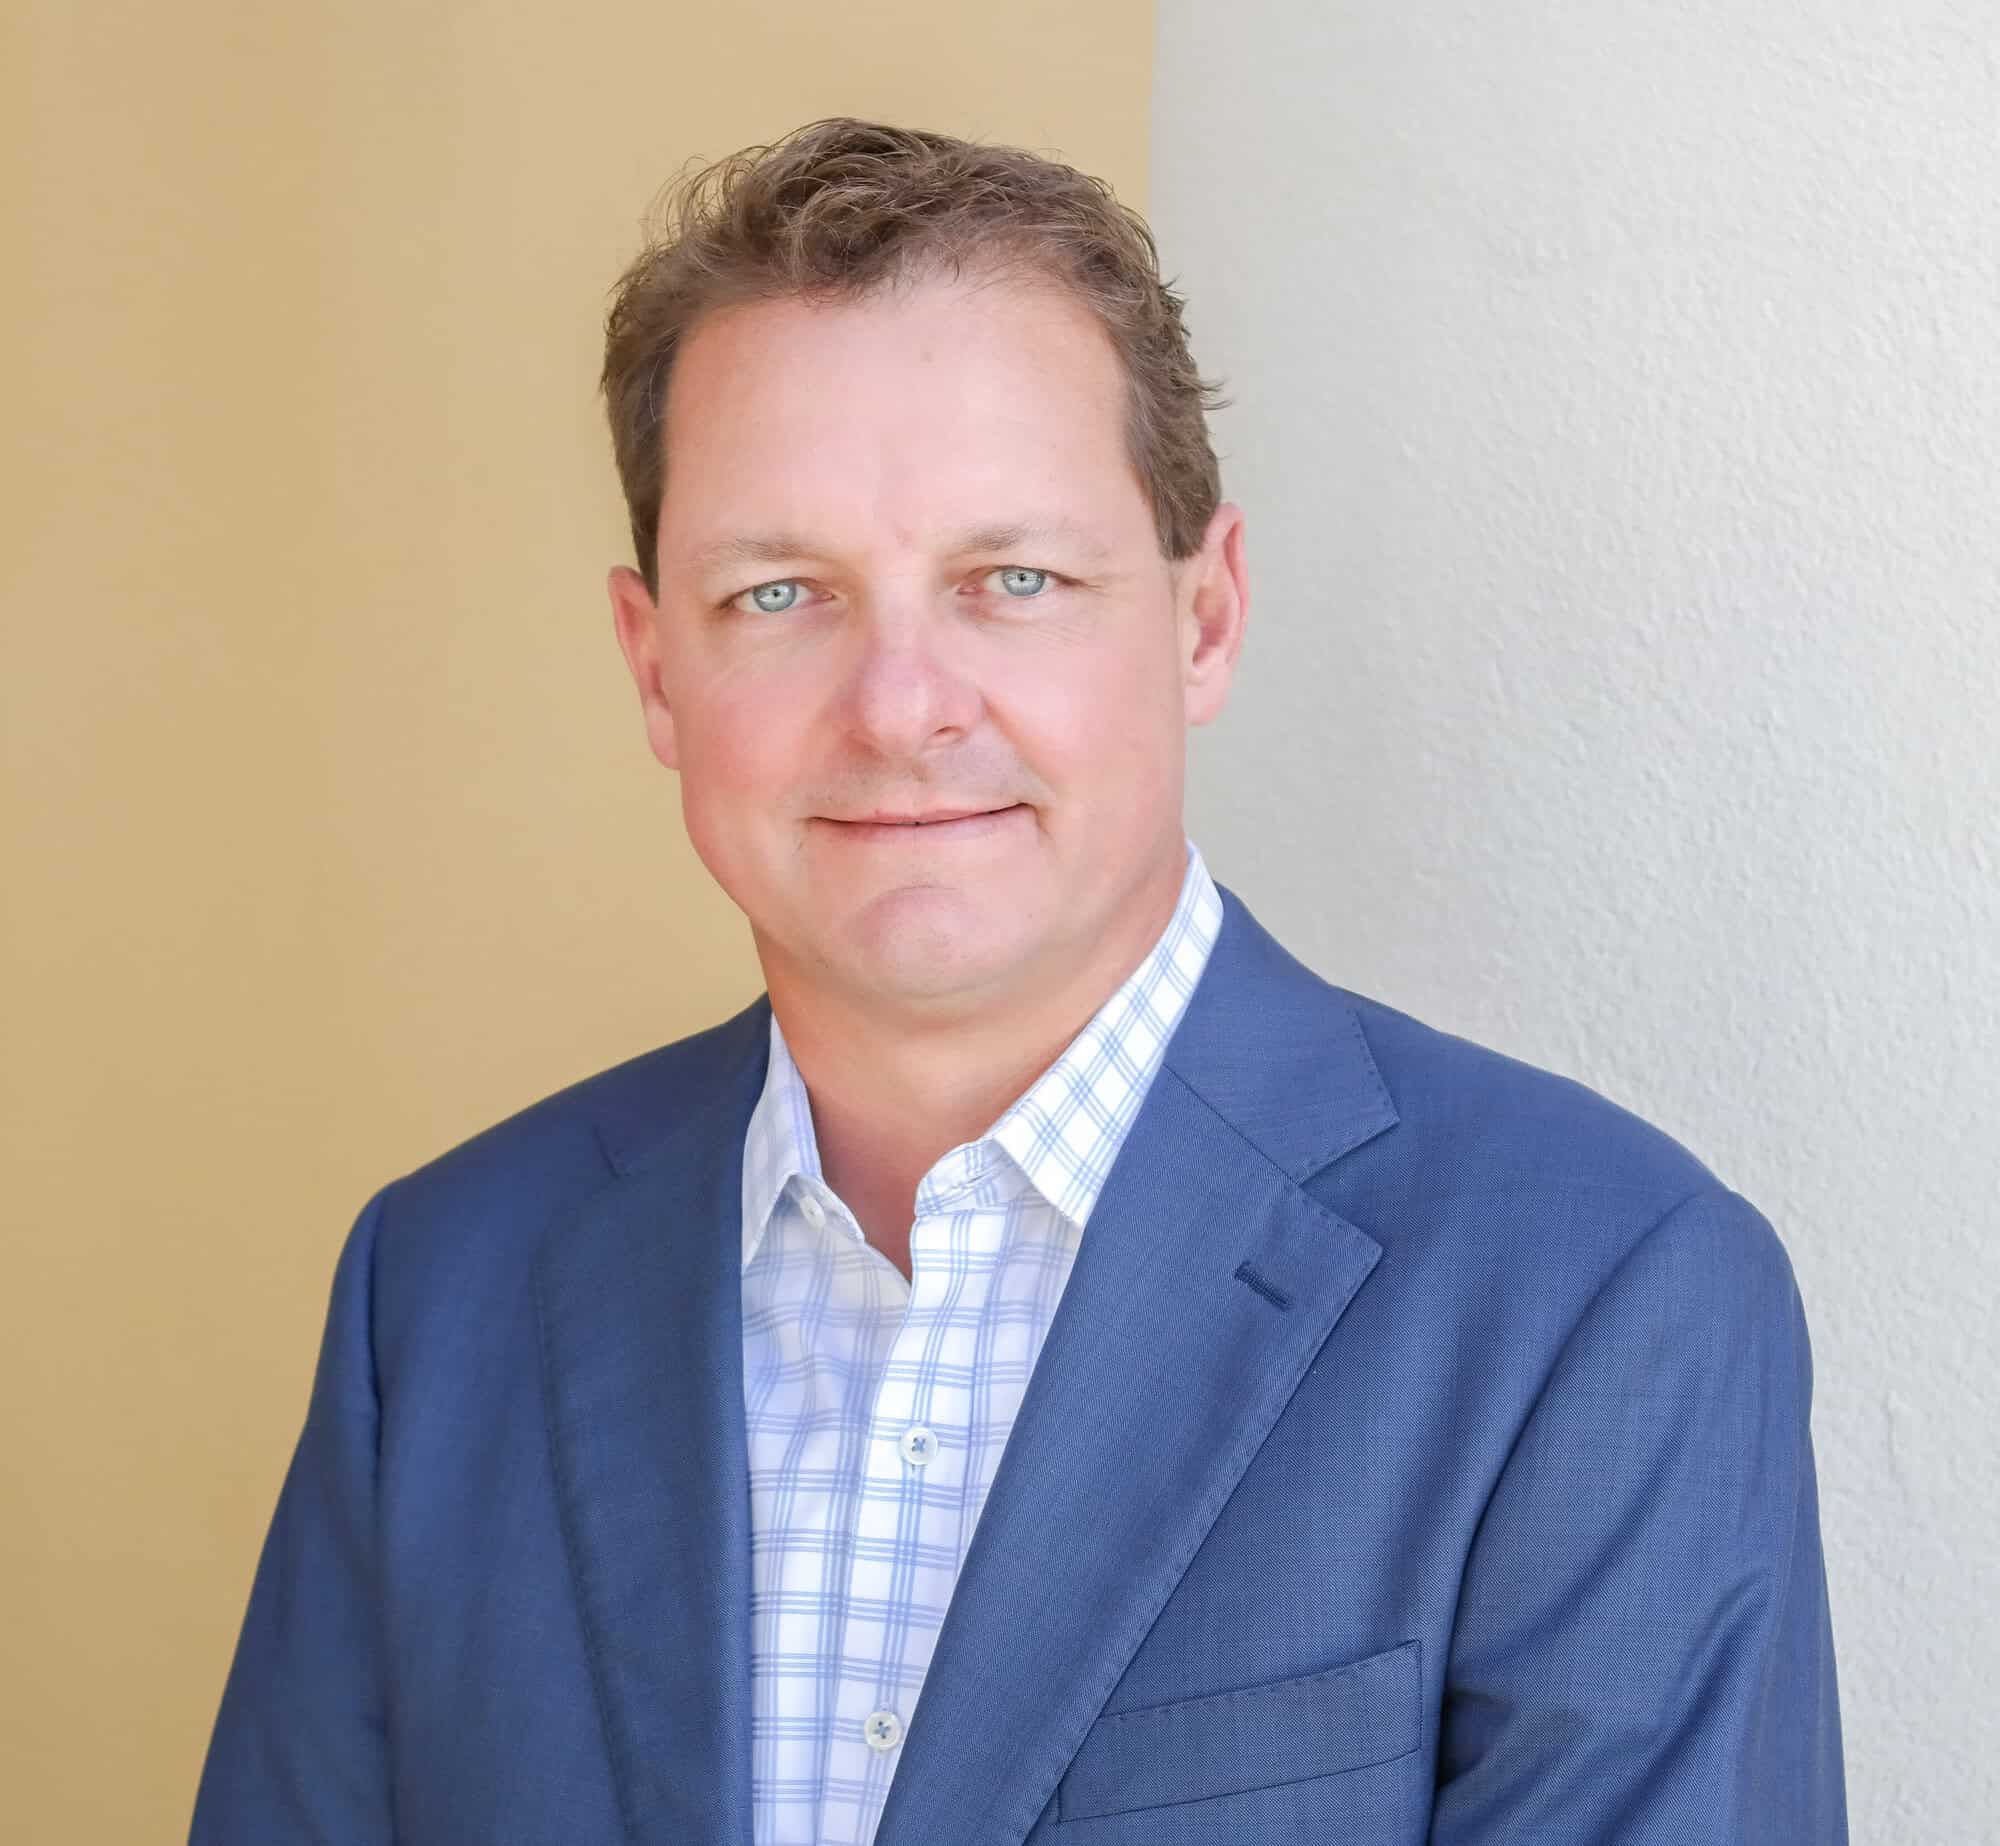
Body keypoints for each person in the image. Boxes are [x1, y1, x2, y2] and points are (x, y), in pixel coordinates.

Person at [190, 117, 1845, 1845]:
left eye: (1017, 581)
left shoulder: (1599, 1294)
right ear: (655, 665)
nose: (902, 705)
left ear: (1204, 622)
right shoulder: (441, 1292)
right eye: (780, 592)